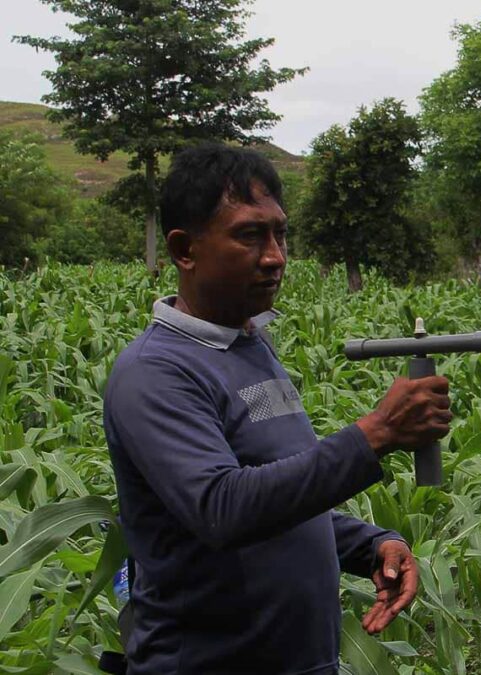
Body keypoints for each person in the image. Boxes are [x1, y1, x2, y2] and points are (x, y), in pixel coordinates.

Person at [102, 143, 452, 674]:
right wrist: (377, 433)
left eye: (280, 233)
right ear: (183, 249)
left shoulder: (251, 346)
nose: (275, 256)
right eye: (249, 234)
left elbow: (279, 495)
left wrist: (370, 545)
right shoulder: (155, 372)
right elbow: (223, 507)